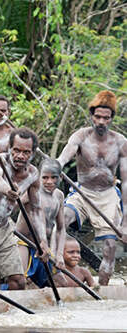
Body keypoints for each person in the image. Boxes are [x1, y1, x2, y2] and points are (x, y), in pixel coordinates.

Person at [57, 90, 127, 286]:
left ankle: (103, 291)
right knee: (61, 220)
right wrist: (58, 165)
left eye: (106, 117)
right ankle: (56, 274)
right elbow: (65, 155)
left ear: (112, 118)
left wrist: (125, 223)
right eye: (97, 117)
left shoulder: (121, 142)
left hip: (108, 196)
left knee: (110, 246)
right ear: (91, 116)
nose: (101, 121)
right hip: (82, 191)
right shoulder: (81, 135)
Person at [0, 128, 49, 290]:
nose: (20, 156)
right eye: (16, 150)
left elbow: (35, 209)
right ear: (9, 149)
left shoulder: (33, 174)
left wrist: (43, 240)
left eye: (26, 152)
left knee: (18, 282)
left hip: (3, 230)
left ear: (33, 153)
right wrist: (8, 190)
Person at [15, 159, 68, 288]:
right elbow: (10, 208)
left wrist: (59, 255)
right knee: (20, 280)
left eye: (53, 178)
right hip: (24, 243)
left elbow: (61, 229)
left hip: (44, 248)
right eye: (45, 177)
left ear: (60, 177)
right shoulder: (31, 193)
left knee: (61, 283)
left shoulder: (59, 196)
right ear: (38, 177)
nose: (49, 182)